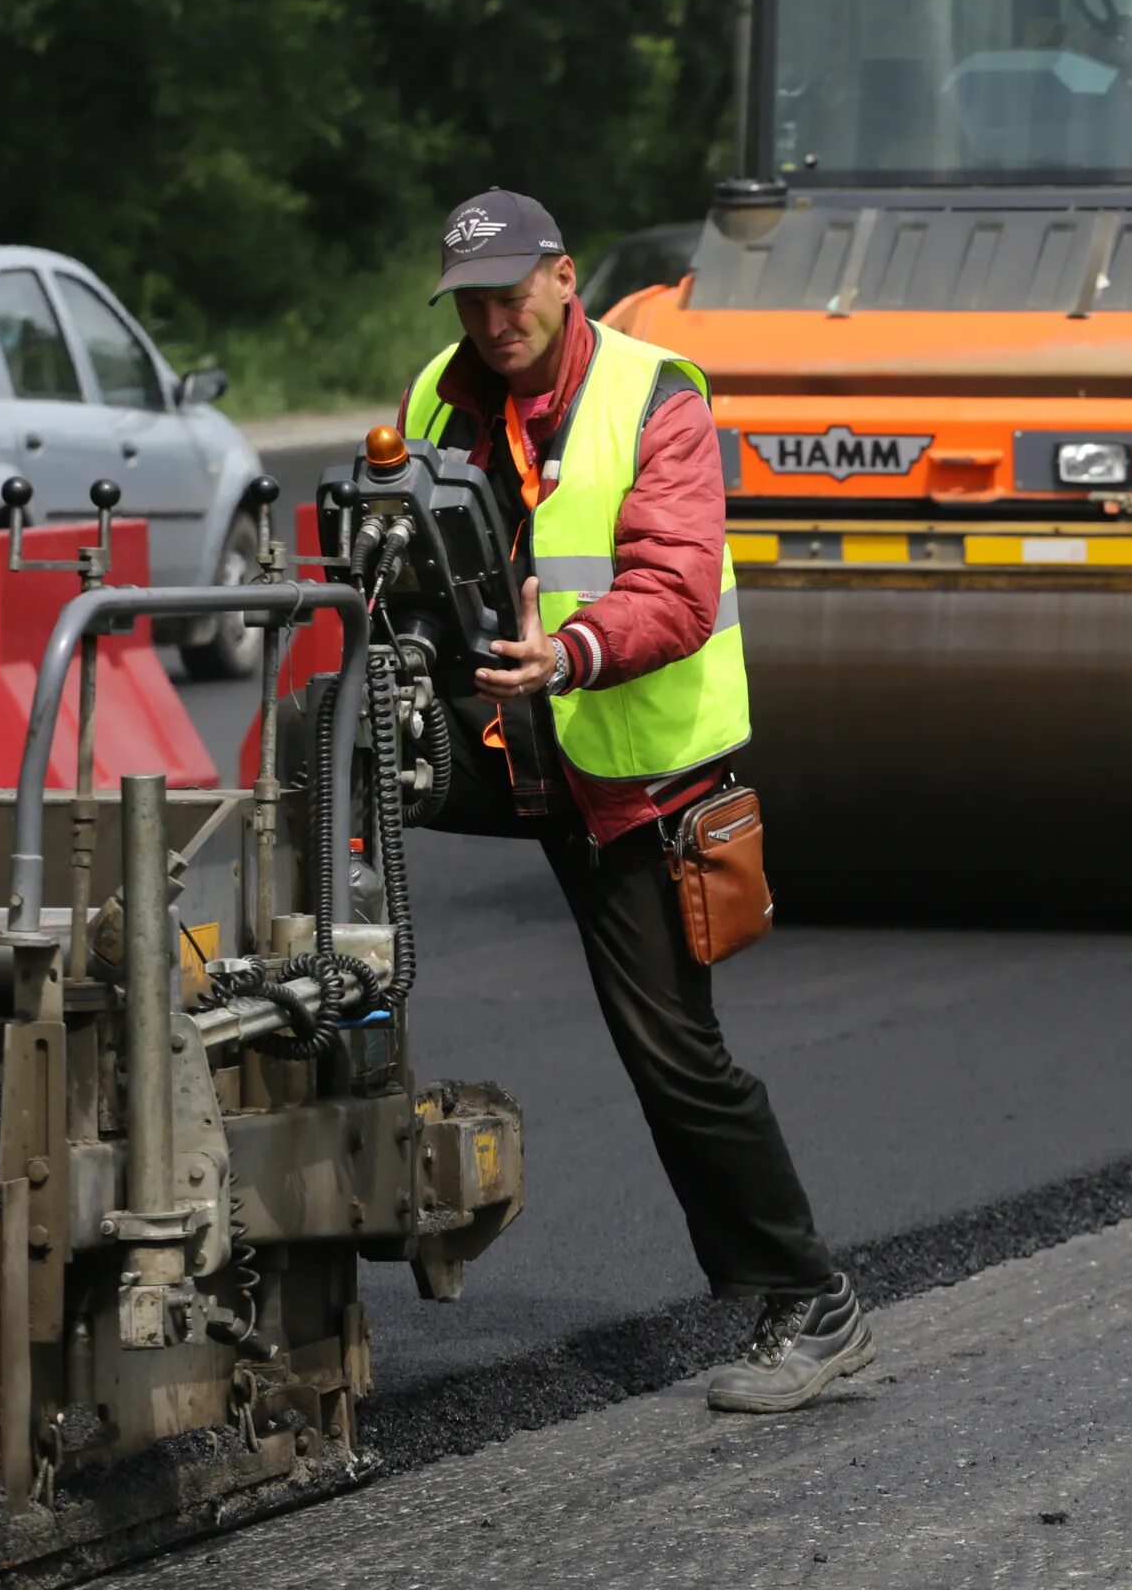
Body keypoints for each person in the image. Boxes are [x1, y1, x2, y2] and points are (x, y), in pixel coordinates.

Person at [401, 187, 874, 1413]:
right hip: (513, 741)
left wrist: (565, 652)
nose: (494, 319)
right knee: (339, 765)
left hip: (636, 771)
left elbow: (672, 584)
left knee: (673, 1055)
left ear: (564, 278)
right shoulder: (438, 394)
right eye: (472, 301)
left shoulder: (658, 394)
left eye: (513, 293)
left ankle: (811, 1303)